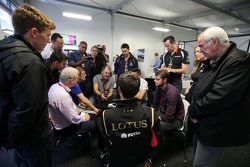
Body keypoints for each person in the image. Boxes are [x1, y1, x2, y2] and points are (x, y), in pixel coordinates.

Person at [0, 4, 55, 167]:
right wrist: (10, 140)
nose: (48, 41)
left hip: (15, 135)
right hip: (33, 138)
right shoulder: (30, 62)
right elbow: (27, 111)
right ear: (34, 32)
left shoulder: (5, 50)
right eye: (48, 35)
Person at [189, 26, 250, 167]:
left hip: (216, 127)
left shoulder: (238, 60)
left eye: (201, 46)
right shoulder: (215, 59)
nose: (199, 50)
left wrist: (193, 110)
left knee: (202, 164)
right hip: (203, 121)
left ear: (215, 42)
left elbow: (220, 97)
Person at [98, 72, 160, 167]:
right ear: (137, 90)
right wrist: (149, 158)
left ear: (119, 90)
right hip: (142, 159)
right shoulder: (150, 113)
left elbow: (106, 140)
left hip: (117, 160)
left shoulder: (106, 115)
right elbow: (156, 139)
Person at [48, 67, 96, 137]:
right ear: (71, 81)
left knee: (90, 114)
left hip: (61, 120)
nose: (78, 80)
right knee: (95, 123)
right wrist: (85, 117)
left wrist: (79, 111)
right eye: (77, 78)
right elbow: (74, 119)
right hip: (65, 128)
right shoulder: (63, 96)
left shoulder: (55, 86)